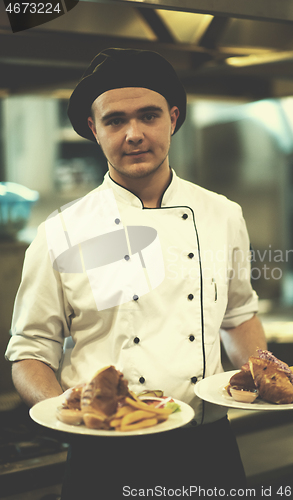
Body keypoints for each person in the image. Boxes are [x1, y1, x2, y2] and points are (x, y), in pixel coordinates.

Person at [5, 48, 267, 498]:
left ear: (173, 117)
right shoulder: (61, 231)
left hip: (208, 447)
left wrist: (271, 378)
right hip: (104, 452)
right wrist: (64, 409)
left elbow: (239, 316)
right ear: (94, 128)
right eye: (114, 121)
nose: (134, 134)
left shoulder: (222, 214)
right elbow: (31, 350)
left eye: (148, 116)